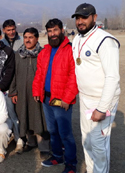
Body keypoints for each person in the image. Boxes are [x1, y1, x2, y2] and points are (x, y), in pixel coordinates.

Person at [71, 3, 120, 173]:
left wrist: (101, 108)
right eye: (77, 18)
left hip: (102, 100)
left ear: (94, 17)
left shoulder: (105, 40)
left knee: (99, 145)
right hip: (85, 98)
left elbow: (112, 78)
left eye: (84, 17)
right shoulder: (76, 39)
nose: (80, 21)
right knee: (87, 140)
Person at [32, 18, 78, 173]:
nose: (52, 34)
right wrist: (37, 91)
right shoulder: (44, 52)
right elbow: (39, 74)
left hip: (61, 99)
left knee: (65, 133)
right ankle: (57, 156)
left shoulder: (70, 50)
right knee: (52, 130)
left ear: (62, 31)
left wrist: (67, 98)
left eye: (55, 30)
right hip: (46, 98)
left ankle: (71, 163)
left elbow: (74, 76)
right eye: (50, 31)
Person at [9, 27, 50, 156]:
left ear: (37, 39)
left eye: (31, 37)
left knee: (40, 119)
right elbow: (13, 74)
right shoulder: (18, 54)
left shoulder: (43, 54)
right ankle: (31, 142)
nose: (27, 40)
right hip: (22, 93)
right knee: (25, 116)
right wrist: (13, 91)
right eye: (25, 37)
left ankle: (44, 147)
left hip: (38, 94)